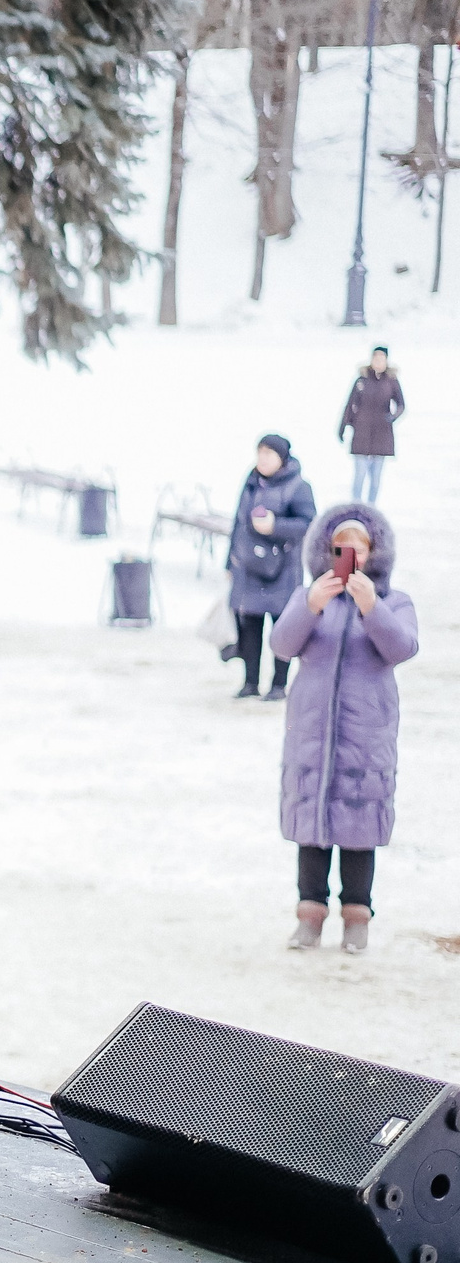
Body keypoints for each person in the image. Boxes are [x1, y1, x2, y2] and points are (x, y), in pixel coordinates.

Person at [271, 505, 417, 953]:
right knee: (311, 826)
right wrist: (311, 605)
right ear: (326, 550)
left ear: (375, 553)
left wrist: (372, 607)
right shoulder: (309, 595)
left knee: (359, 827)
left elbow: (402, 648)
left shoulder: (394, 600)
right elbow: (281, 645)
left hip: (365, 733)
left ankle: (357, 919)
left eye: (360, 547)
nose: (351, 554)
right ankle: (309, 917)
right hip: (312, 732)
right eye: (341, 546)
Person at [226, 432, 317, 702]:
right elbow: (238, 524)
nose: (262, 459)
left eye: (269, 454)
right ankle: (250, 682)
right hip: (249, 567)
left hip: (282, 572)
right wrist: (229, 561)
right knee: (250, 627)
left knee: (282, 629)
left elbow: (308, 525)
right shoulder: (252, 482)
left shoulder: (299, 487)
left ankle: (279, 685)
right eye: (260, 453)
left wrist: (275, 526)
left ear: (282, 458)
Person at [339, 346, 405, 504]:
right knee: (359, 476)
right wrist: (343, 426)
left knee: (375, 479)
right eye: (376, 358)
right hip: (361, 434)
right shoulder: (362, 380)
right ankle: (356, 506)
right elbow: (350, 404)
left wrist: (392, 417)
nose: (378, 362)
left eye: (382, 358)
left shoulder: (391, 381)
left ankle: (371, 508)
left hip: (382, 435)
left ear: (386, 361)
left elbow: (401, 404)